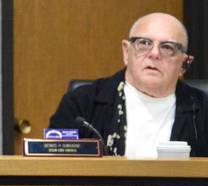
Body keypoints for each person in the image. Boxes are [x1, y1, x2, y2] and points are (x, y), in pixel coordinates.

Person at [49, 12, 208, 157]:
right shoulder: (81, 105)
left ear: (184, 63)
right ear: (126, 52)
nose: (154, 54)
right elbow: (55, 168)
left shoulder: (203, 111)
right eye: (144, 43)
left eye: (167, 47)